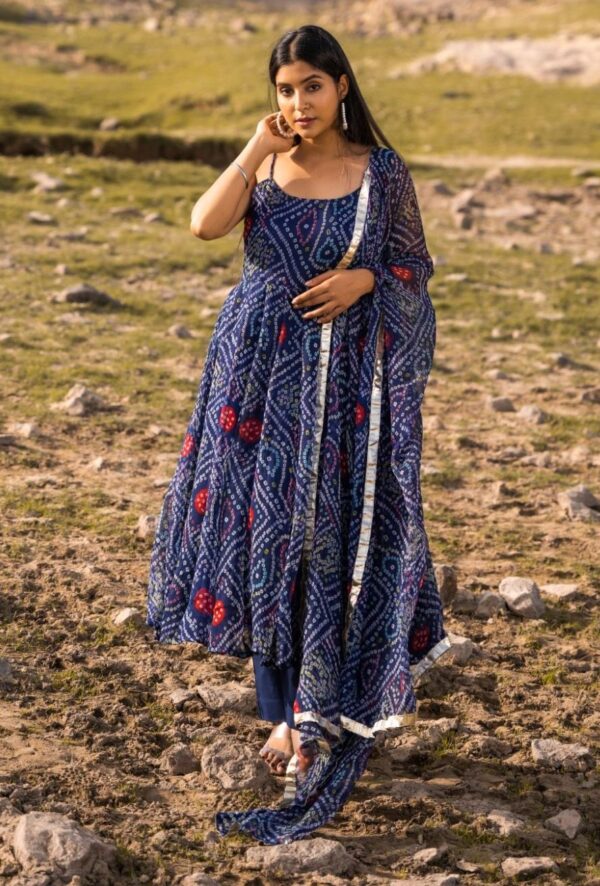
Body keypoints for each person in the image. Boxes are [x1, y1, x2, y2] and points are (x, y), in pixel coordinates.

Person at [146, 23, 452, 845]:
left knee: (326, 538)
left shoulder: (379, 173)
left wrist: (367, 279)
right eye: (284, 90)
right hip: (254, 378)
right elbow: (206, 226)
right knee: (267, 537)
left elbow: (415, 271)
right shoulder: (268, 166)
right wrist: (254, 146)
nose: (298, 103)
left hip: (347, 383)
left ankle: (319, 712)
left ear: (341, 86)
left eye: (311, 86)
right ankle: (283, 716)